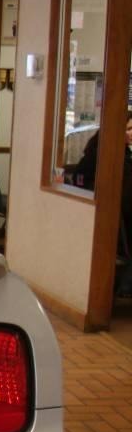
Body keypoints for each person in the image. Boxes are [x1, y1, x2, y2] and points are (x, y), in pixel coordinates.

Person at [72, 113, 132, 298]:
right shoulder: (103, 156)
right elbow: (79, 179)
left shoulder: (125, 156)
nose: (131, 133)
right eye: (128, 129)